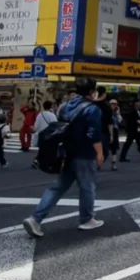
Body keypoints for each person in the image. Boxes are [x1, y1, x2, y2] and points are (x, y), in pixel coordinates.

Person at [23, 77, 105, 237]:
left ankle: (35, 218)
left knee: (57, 187)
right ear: (91, 91)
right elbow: (93, 134)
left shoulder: (65, 106)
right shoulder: (92, 109)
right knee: (87, 187)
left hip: (66, 153)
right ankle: (86, 219)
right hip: (85, 153)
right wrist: (100, 153)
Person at [31, 100, 57, 169]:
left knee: (42, 149)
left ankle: (37, 161)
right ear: (51, 107)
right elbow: (55, 125)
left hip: (41, 135)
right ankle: (48, 163)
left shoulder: (40, 115)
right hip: (50, 135)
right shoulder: (52, 115)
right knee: (50, 150)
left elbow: (36, 127)